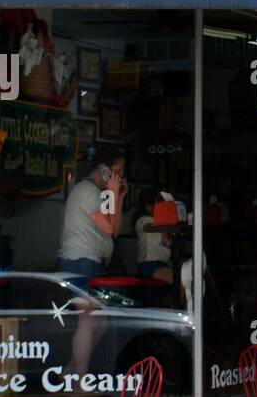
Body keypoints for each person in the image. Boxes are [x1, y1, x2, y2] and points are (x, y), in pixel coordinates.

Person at [56, 148, 127, 375]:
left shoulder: (103, 193)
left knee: (101, 323)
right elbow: (106, 226)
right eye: (116, 172)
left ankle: (70, 372)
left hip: (94, 262)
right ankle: (78, 381)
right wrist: (113, 193)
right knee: (87, 320)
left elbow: (113, 230)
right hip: (79, 261)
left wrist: (118, 196)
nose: (119, 177)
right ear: (103, 169)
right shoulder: (86, 190)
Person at [133, 189, 174, 284]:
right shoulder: (143, 220)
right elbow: (150, 227)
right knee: (181, 280)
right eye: (161, 205)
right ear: (148, 207)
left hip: (164, 264)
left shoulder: (163, 222)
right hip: (150, 264)